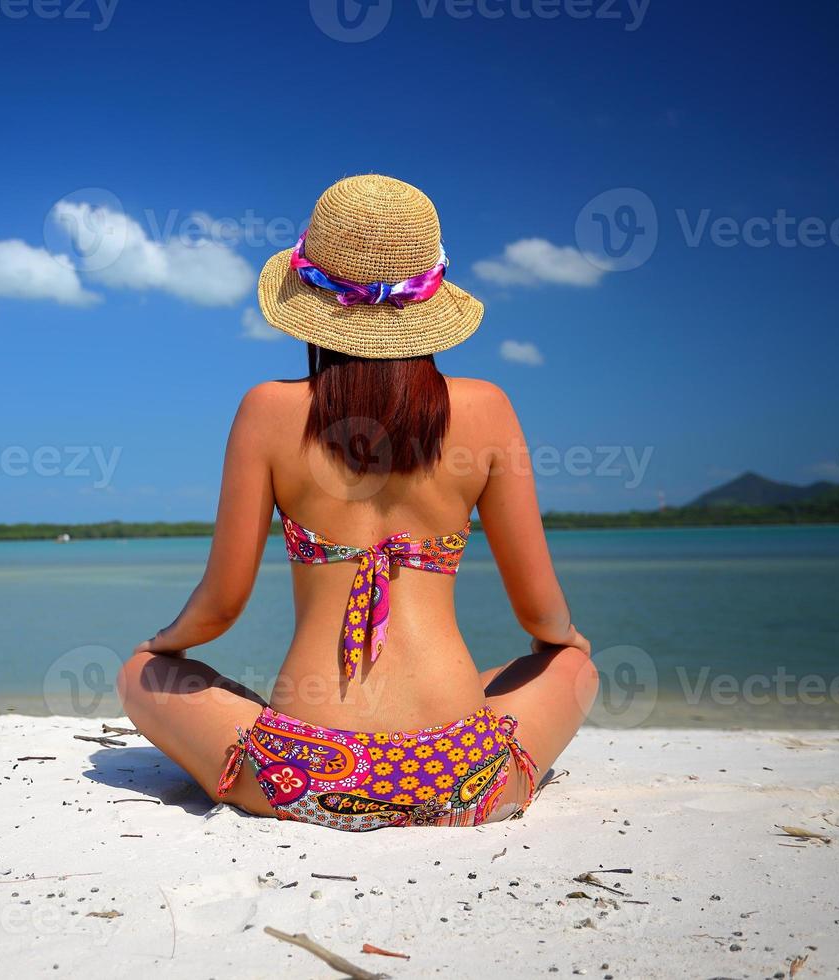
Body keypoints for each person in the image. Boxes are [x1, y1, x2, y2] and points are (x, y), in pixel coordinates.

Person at [117, 174, 598, 830]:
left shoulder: (266, 412)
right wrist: (569, 639)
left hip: (301, 773)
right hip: (463, 778)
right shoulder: (488, 411)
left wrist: (160, 644)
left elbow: (222, 604)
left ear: (311, 299)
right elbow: (539, 614)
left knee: (139, 675)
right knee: (571, 668)